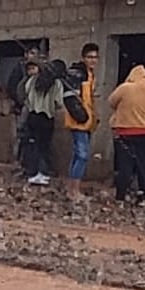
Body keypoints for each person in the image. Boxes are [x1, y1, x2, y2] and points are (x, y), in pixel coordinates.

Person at [107, 64, 145, 201]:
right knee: (144, 164)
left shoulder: (125, 88)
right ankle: (144, 194)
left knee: (125, 164)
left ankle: (121, 194)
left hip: (126, 131)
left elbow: (111, 102)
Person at [64, 43, 99, 198]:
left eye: (95, 57)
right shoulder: (77, 74)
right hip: (79, 121)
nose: (93, 60)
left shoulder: (90, 74)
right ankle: (74, 191)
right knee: (82, 155)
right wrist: (81, 116)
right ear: (83, 58)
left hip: (87, 121)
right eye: (90, 57)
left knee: (78, 155)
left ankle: (71, 189)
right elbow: (70, 99)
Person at [22, 60, 65, 186]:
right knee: (44, 146)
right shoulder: (56, 84)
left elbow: (27, 96)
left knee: (32, 144)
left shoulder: (33, 80)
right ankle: (42, 172)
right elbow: (58, 102)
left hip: (33, 115)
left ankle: (32, 172)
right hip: (47, 117)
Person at [6, 45, 41, 165]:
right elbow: (12, 87)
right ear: (26, 54)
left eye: (35, 53)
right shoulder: (19, 68)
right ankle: (18, 161)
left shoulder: (40, 70)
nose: (33, 56)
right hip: (22, 108)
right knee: (21, 135)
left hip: (35, 109)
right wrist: (20, 103)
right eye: (31, 53)